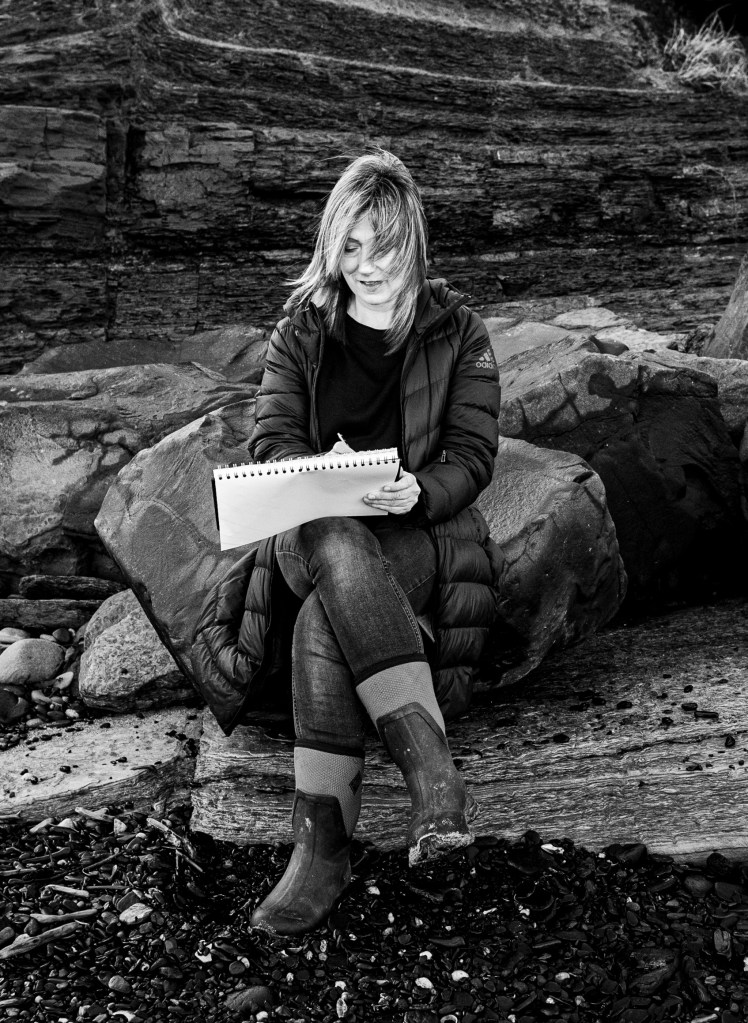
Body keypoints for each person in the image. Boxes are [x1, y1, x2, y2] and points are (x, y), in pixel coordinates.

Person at [191, 149, 502, 936]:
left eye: (383, 245)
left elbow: (472, 455)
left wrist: (418, 490)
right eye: (350, 247)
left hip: (416, 541)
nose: (366, 266)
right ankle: (433, 777)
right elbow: (269, 443)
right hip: (306, 538)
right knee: (330, 531)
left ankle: (321, 846)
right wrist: (311, 470)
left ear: (413, 241)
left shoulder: (459, 331)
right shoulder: (299, 334)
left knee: (322, 624)